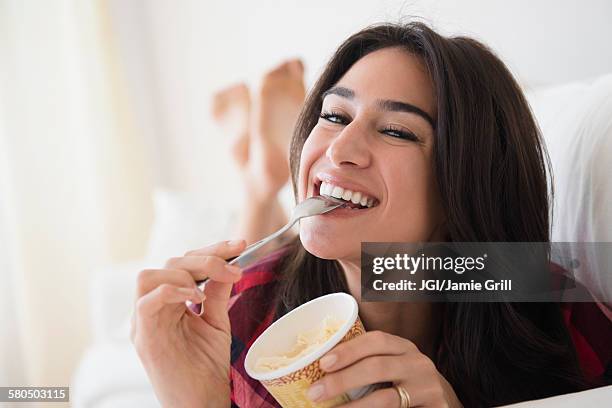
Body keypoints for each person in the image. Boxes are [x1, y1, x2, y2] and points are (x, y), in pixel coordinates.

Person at [131, 22, 607, 407]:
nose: (339, 148)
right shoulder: (243, 316)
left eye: (397, 131)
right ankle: (259, 185)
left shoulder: (552, 311)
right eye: (334, 116)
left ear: (468, 180)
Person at [210, 59, 305, 246]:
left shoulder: (378, 263)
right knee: (289, 246)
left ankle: (254, 178)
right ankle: (255, 175)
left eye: (382, 129)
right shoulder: (377, 261)